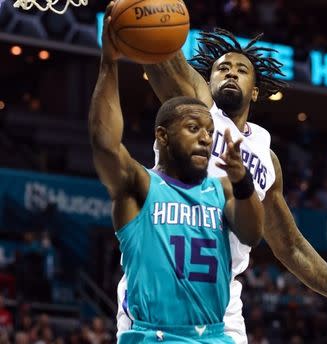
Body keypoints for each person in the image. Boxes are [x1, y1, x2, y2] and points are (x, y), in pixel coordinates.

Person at [101, 3, 327, 343]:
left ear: (254, 90)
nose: (231, 72)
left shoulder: (267, 161)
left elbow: (292, 248)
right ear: (207, 82)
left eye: (241, 69)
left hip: (221, 311)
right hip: (156, 301)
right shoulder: (194, 109)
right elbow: (163, 52)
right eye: (222, 68)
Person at [89, 14, 264, 343]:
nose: (206, 139)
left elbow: (257, 235)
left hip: (216, 331)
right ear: (162, 137)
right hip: (152, 332)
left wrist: (243, 182)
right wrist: (109, 62)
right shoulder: (141, 186)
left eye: (210, 132)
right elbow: (105, 144)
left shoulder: (225, 186)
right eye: (194, 129)